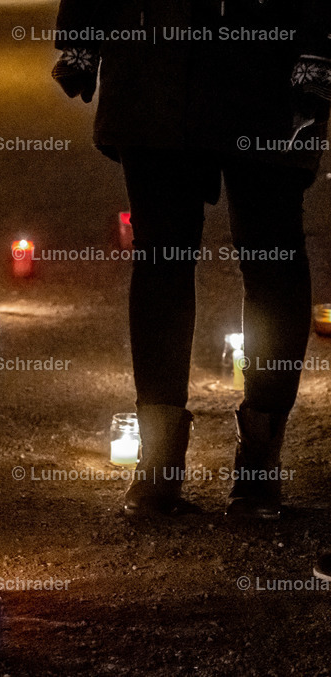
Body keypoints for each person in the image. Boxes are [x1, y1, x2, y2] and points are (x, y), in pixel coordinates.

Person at [52, 1, 330, 518]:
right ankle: (157, 469)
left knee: (272, 258)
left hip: (266, 57)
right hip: (157, 55)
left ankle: (259, 466)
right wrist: (84, 32)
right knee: (162, 260)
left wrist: (317, 47)